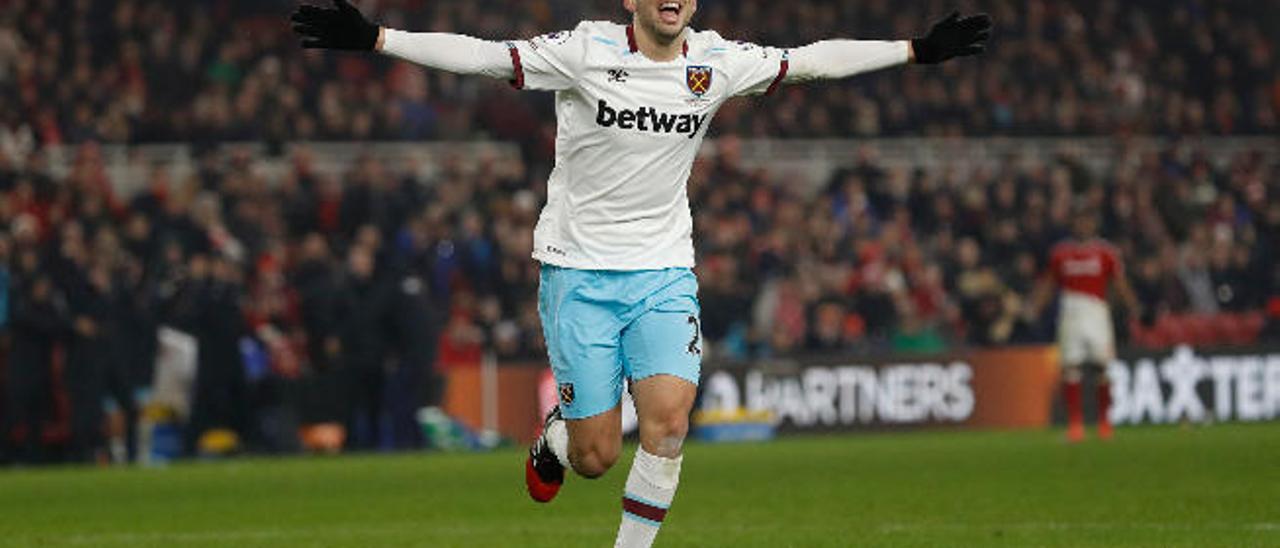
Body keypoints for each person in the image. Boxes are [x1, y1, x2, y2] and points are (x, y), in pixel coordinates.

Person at [291, 2, 990, 546]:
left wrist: (915, 50)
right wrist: (379, 37)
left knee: (668, 425)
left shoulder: (716, 61)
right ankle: (556, 438)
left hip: (663, 273)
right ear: (632, 0)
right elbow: (480, 57)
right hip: (579, 275)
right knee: (595, 456)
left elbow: (811, 61)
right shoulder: (582, 51)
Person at [1028, 210, 1142, 442]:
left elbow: (1119, 283)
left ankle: (1104, 424)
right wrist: (1035, 306)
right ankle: (1076, 426)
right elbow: (1049, 283)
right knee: (1071, 368)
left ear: (1093, 223)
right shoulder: (1061, 253)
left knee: (1102, 367)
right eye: (1079, 220)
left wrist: (1134, 306)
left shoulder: (1106, 252)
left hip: (1097, 312)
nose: (1083, 224)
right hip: (1070, 312)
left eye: (1087, 220)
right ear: (1073, 223)